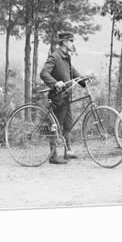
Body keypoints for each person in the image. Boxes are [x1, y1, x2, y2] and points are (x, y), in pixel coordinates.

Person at [40, 31, 85, 164]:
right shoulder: (55, 57)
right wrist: (55, 83)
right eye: (71, 41)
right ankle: (53, 156)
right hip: (58, 97)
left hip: (66, 97)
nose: (72, 44)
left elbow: (73, 72)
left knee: (68, 124)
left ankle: (68, 151)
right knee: (55, 125)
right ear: (64, 42)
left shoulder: (66, 57)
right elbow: (43, 73)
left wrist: (84, 80)